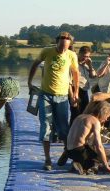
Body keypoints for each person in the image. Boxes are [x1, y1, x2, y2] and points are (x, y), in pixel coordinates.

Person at [27, 31, 79, 171]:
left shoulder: (71, 55)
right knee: (46, 127)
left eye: (66, 47)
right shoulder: (47, 51)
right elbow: (35, 64)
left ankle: (68, 153)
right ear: (57, 43)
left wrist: (75, 92)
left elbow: (75, 73)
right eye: (61, 46)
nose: (63, 49)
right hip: (46, 95)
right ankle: (48, 159)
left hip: (62, 96)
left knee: (63, 130)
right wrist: (30, 82)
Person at [66, 100, 110, 175]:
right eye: (107, 117)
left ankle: (78, 161)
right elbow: (99, 146)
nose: (106, 119)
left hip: (68, 150)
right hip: (79, 151)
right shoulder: (95, 122)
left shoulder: (81, 116)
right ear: (103, 113)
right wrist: (106, 165)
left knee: (93, 151)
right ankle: (85, 166)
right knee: (109, 155)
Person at [69, 45, 97, 127]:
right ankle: (71, 132)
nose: (86, 58)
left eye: (88, 56)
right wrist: (72, 95)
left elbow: (93, 76)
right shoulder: (73, 63)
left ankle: (81, 130)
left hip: (84, 90)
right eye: (84, 56)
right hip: (75, 89)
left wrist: (90, 65)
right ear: (79, 54)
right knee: (75, 113)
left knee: (85, 112)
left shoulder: (87, 64)